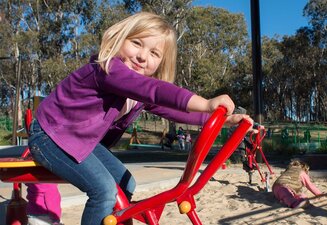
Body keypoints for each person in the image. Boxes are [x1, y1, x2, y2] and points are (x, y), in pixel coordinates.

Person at [28, 11, 252, 225]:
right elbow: (154, 90)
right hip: (50, 136)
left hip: (81, 140)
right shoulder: (108, 69)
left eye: (154, 53)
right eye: (136, 43)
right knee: (104, 191)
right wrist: (206, 102)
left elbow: (176, 111)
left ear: (161, 63)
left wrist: (222, 119)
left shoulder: (137, 92)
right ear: (119, 38)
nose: (142, 56)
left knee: (126, 183)